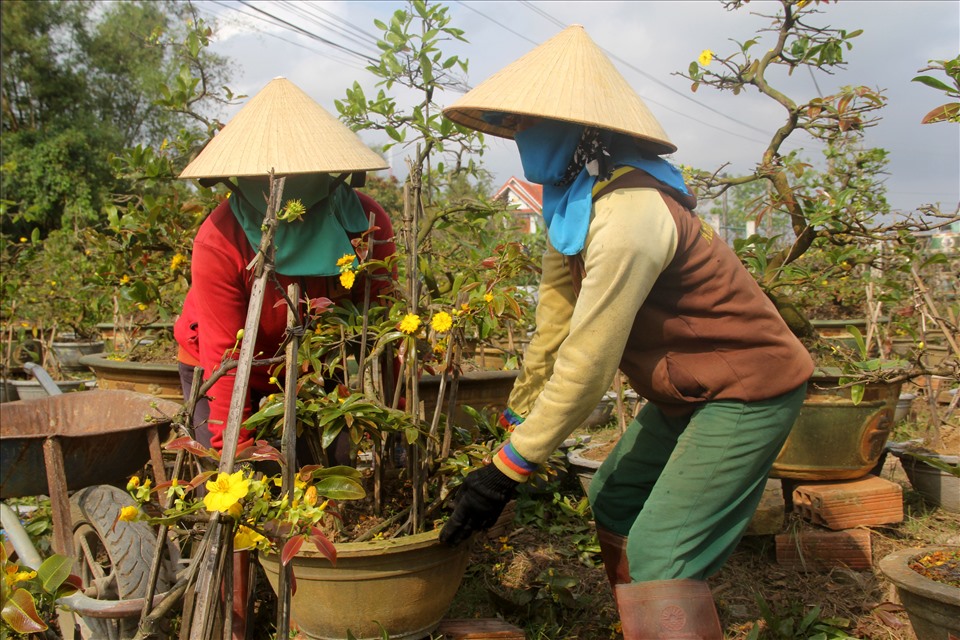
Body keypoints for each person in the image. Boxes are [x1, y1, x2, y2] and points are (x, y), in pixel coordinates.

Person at [439, 25, 813, 639]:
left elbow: (588, 361)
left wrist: (510, 470)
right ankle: (641, 624)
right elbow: (553, 330)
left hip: (749, 389)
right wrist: (516, 425)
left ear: (587, 130)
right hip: (688, 390)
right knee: (613, 496)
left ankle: (663, 612)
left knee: (663, 550)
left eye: (538, 123)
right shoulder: (573, 207)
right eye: (518, 125)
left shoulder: (631, 214)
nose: (525, 139)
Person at [175, 77, 396, 459]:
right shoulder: (221, 238)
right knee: (219, 480)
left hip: (315, 369)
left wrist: (395, 417)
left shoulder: (366, 224)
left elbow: (381, 329)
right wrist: (233, 456)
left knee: (328, 470)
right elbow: (225, 356)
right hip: (219, 368)